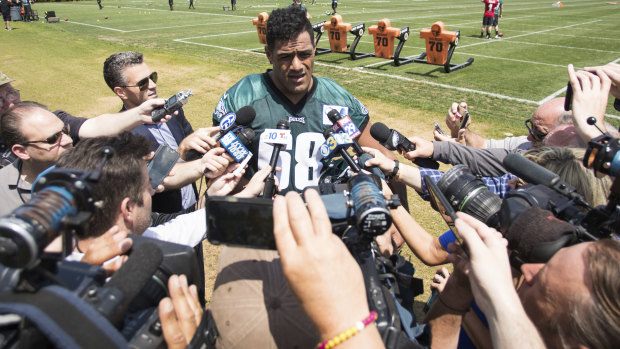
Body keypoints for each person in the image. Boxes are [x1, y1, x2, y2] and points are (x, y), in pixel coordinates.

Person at [212, 7, 403, 200]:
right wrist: (255, 191)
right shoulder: (243, 97)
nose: (296, 66)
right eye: (285, 56)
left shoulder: (335, 99)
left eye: (304, 54)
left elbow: (387, 160)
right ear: (269, 54)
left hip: (324, 218)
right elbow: (217, 173)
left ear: (315, 49)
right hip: (260, 217)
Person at [0, 100, 178, 216]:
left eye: (65, 131)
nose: (69, 140)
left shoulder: (94, 169)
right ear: (21, 151)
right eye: (54, 139)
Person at [104, 51, 224, 213]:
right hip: (162, 222)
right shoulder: (121, 135)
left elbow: (194, 154)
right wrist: (181, 150)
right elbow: (152, 181)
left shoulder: (172, 112)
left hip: (191, 211)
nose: (153, 85)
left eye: (152, 77)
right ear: (121, 92)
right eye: (142, 83)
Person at [437, 97, 566, 151]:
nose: (529, 137)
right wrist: (461, 129)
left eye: (539, 133)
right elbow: (484, 147)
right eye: (530, 127)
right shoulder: (525, 146)